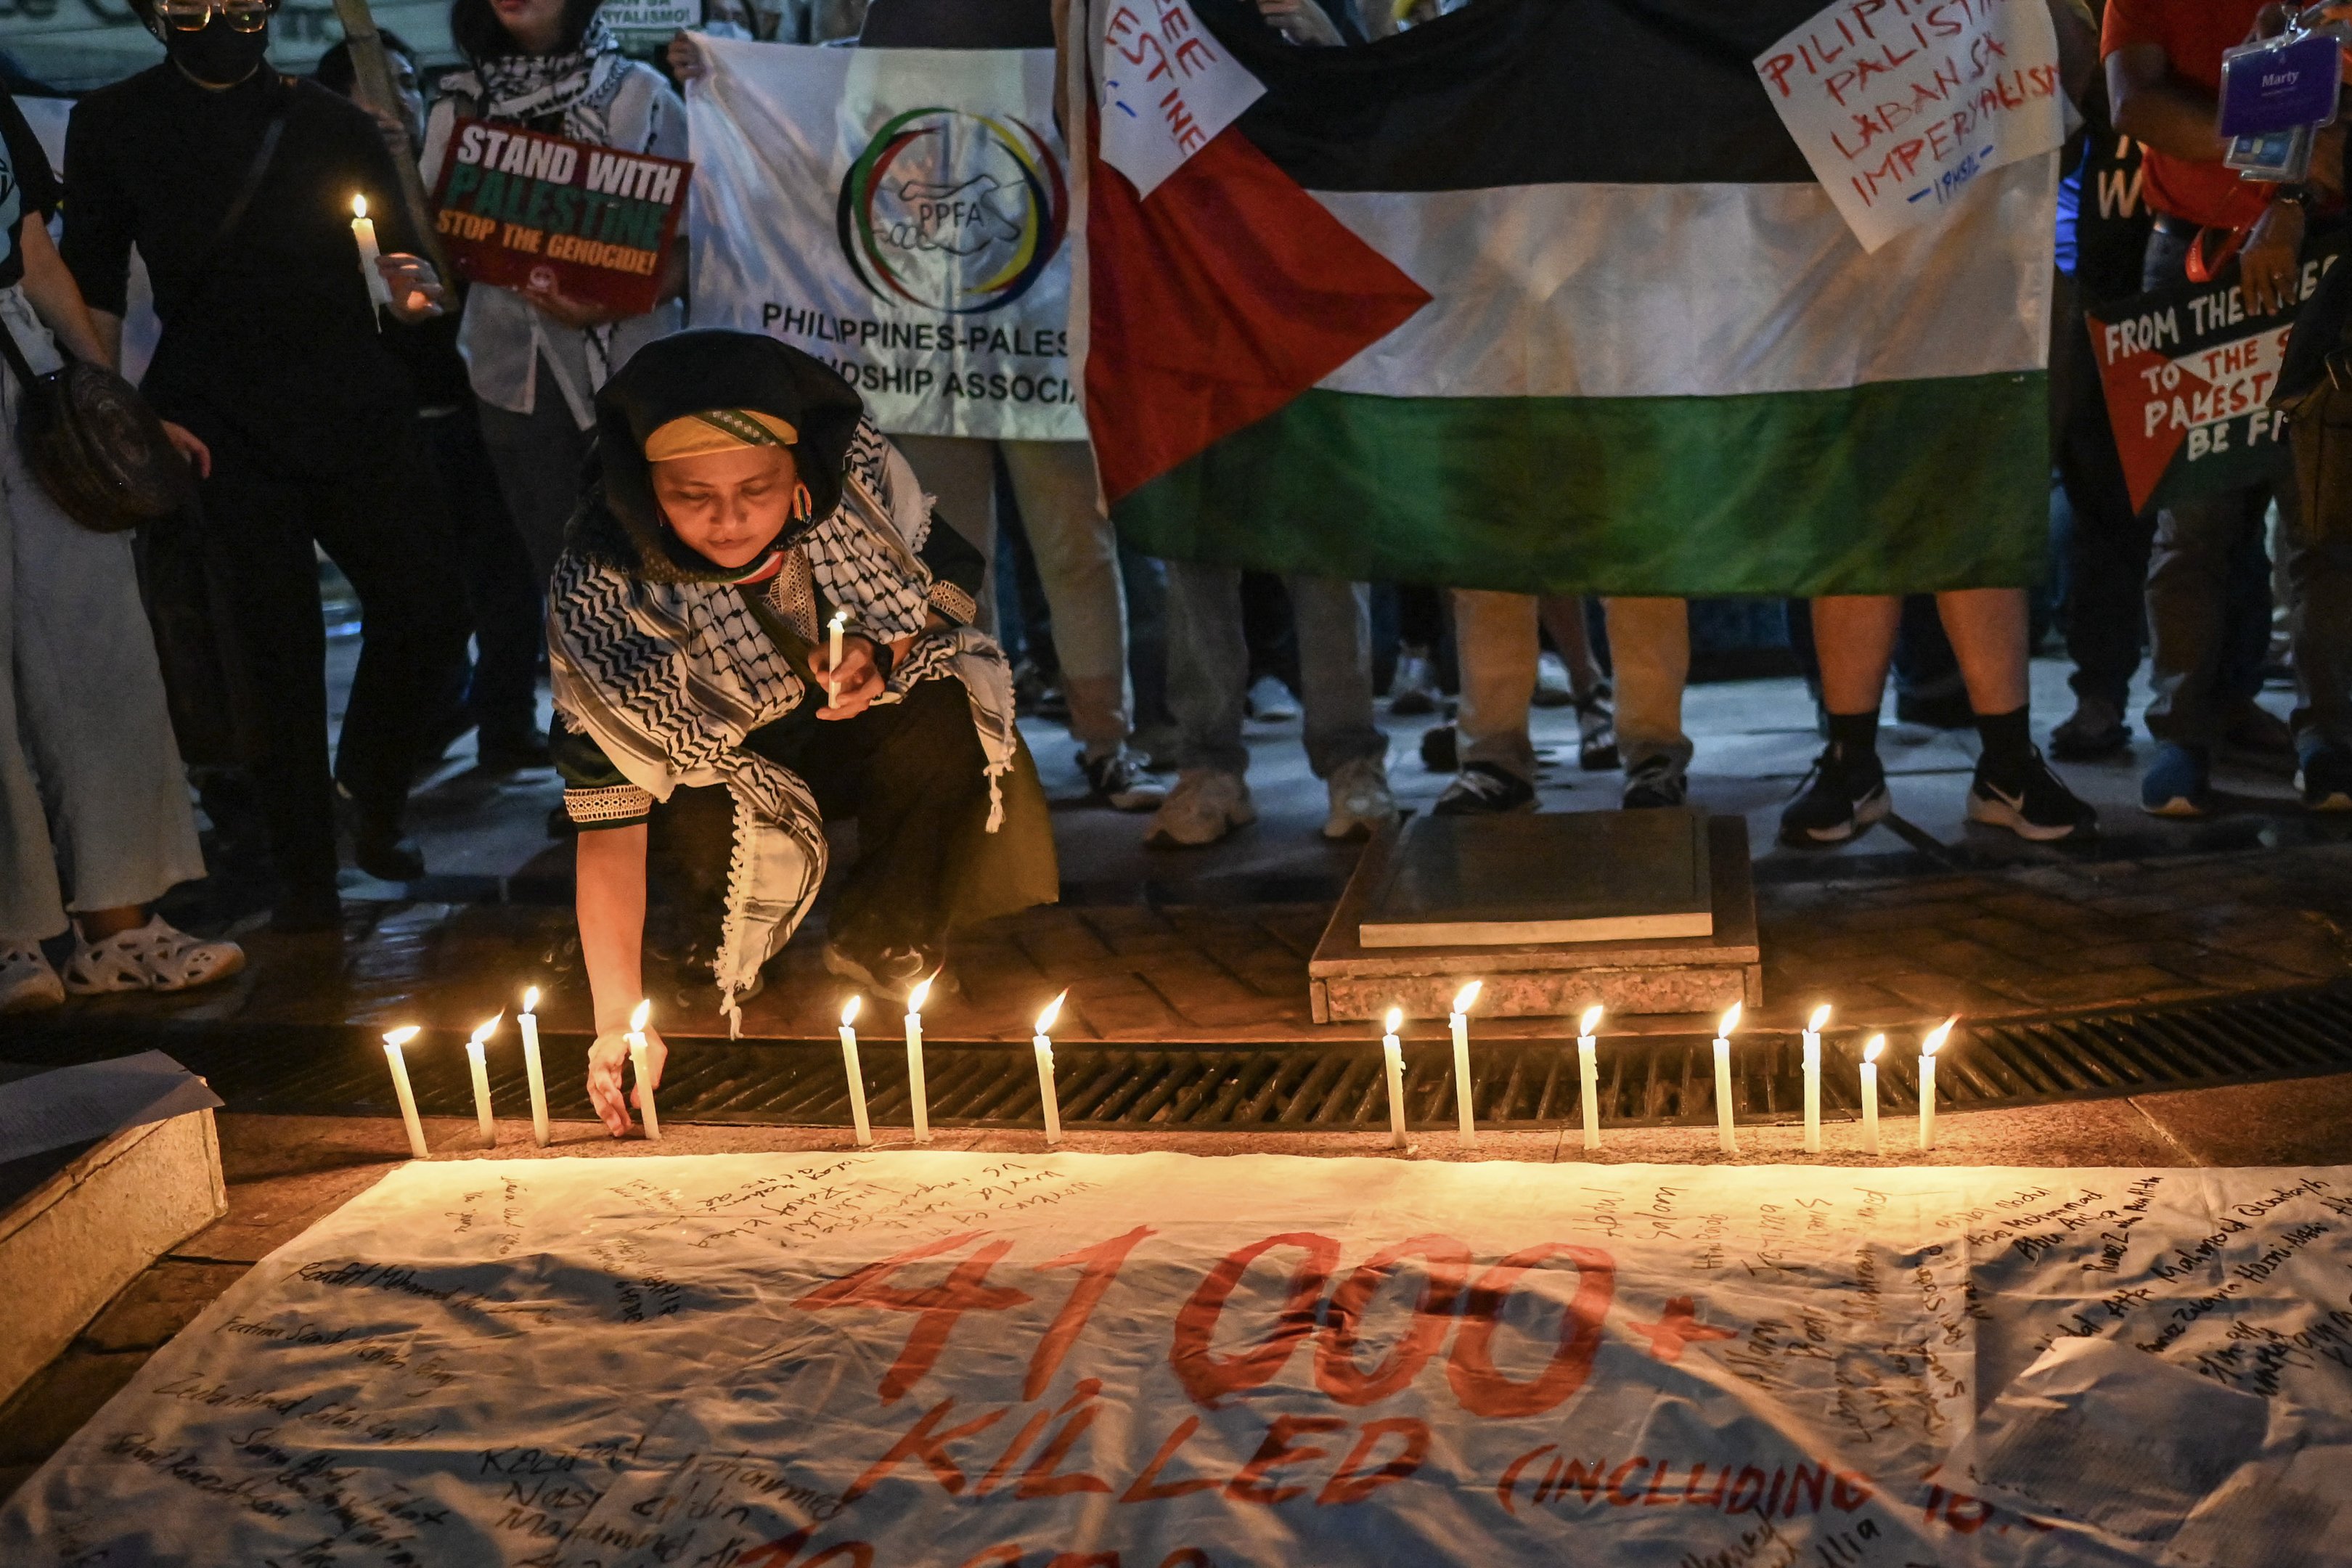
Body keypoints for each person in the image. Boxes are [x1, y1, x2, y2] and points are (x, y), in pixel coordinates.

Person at [550, 331, 1057, 1132]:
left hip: (841, 731)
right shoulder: (608, 594)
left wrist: (881, 657)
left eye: (755, 488)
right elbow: (608, 820)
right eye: (692, 496)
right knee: (693, 804)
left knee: (948, 706)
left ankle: (884, 932)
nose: (727, 520)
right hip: (718, 776)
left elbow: (950, 574)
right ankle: (715, 946)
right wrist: (619, 1023)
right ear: (648, 493)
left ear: (799, 481)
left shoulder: (856, 494)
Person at [63, 0, 465, 930]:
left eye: (246, 6)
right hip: (215, 421)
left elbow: (401, 259)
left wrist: (411, 288)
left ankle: (365, 791)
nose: (225, 24)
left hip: (352, 401)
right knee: (274, 656)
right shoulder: (114, 123)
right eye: (196, 7)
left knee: (431, 608)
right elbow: (92, 280)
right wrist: (123, 417)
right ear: (153, 16)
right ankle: (307, 887)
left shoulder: (332, 122)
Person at [0, 82, 243, 1010]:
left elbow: (35, 255)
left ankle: (121, 926)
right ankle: (11, 935)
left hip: (21, 373)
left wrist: (120, 408)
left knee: (100, 647)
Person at [2103, 0, 2352, 813]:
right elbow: (2133, 102)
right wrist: (2280, 160)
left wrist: (2291, 197)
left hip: (2329, 254)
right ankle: (2180, 733)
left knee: (2326, 516)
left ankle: (2330, 738)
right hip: (2193, 253)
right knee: (2195, 517)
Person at [317, 32, 550, 770]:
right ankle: (428, 724)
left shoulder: (459, 173)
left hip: (482, 408)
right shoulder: (326, 191)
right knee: (426, 593)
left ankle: (505, 725)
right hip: (392, 427)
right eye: (370, 87)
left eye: (408, 81)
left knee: (507, 582)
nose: (396, 99)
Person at [422, 0, 688, 581]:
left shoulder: (639, 96)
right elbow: (434, 250)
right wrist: (406, 281)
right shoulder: (460, 103)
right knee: (561, 576)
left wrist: (614, 300)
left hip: (633, 373)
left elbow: (701, 247)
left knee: (658, 567)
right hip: (509, 376)